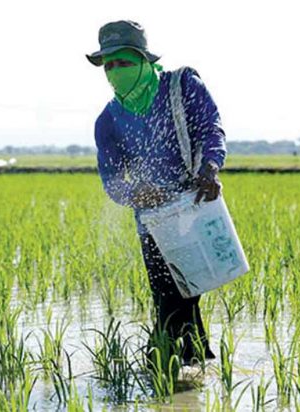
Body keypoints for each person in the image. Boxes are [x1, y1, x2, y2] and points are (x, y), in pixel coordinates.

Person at [87, 20, 226, 365]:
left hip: (194, 204)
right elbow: (113, 180)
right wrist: (136, 194)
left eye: (125, 62)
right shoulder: (109, 119)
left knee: (183, 293)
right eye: (110, 65)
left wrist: (210, 167)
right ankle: (187, 363)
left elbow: (211, 128)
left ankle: (167, 364)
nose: (117, 71)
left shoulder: (181, 86)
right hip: (153, 217)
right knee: (170, 291)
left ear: (144, 59)